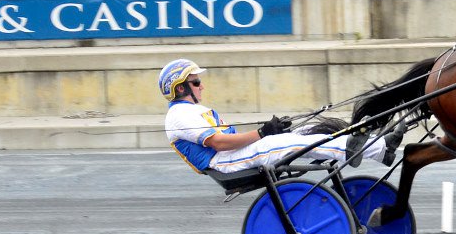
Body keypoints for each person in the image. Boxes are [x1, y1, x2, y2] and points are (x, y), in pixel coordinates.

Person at [159, 58, 403, 174]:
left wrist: (272, 131)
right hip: (222, 162)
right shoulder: (179, 114)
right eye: (196, 82)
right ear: (180, 88)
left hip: (231, 154)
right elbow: (218, 143)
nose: (201, 86)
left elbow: (226, 139)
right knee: (288, 143)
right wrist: (263, 133)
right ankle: (355, 150)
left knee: (304, 134)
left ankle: (382, 149)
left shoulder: (192, 110)